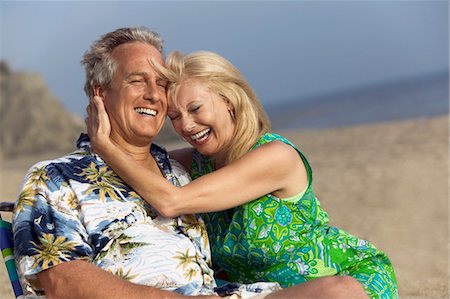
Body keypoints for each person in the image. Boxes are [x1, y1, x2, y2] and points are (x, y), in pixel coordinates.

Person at [87, 50, 398, 299]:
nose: (186, 127)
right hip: (259, 294)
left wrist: (104, 146)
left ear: (229, 100)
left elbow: (170, 201)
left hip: (338, 282)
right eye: (175, 117)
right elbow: (139, 164)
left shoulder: (275, 157)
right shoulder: (196, 163)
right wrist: (111, 119)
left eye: (196, 108)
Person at [12, 27, 285, 299]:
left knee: (329, 290)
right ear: (100, 92)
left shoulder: (180, 173)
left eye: (162, 84)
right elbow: (64, 283)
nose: (154, 95)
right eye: (137, 81)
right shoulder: (55, 178)